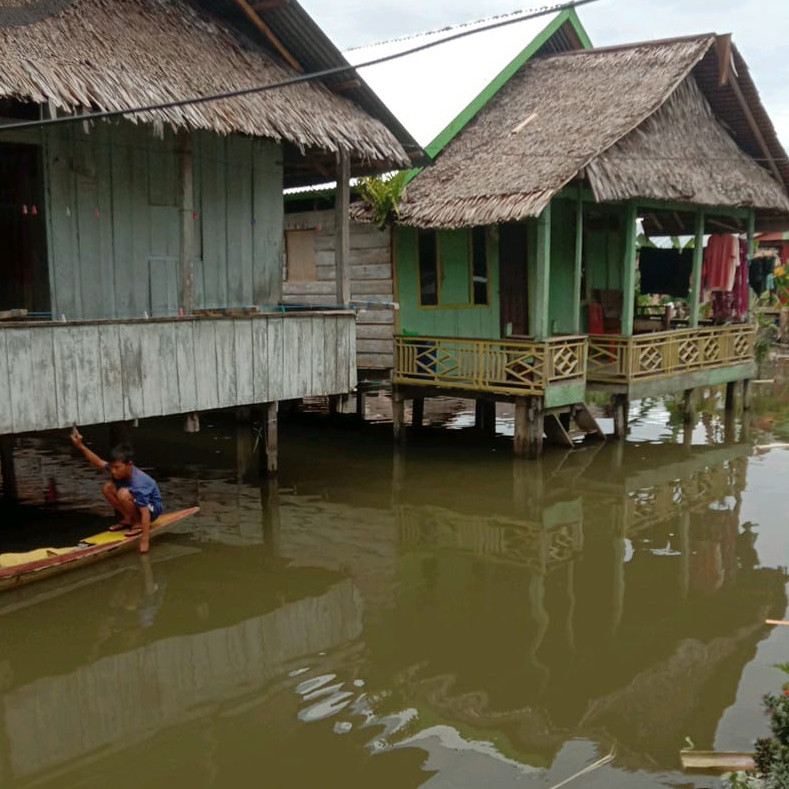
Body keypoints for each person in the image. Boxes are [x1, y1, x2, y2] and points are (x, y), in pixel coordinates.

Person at [69, 427, 163, 554]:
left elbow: (145, 512)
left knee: (123, 493)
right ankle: (129, 519)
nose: (113, 471)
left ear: (129, 465)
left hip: (152, 509)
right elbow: (98, 462)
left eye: (117, 468)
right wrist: (80, 446)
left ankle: (138, 523)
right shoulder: (117, 469)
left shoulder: (139, 483)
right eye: (112, 467)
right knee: (107, 487)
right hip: (137, 501)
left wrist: (144, 541)